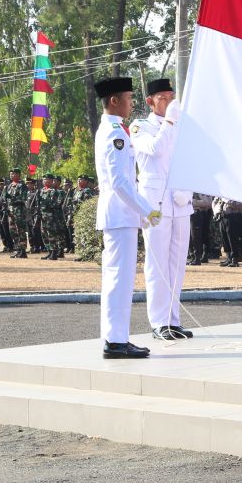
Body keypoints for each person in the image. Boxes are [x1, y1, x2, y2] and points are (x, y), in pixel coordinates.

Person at [94, 77, 161, 359]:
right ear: (114, 101)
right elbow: (121, 183)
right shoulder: (116, 134)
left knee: (118, 279)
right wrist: (146, 209)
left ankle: (117, 338)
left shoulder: (114, 130)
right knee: (119, 280)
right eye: (129, 97)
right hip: (120, 214)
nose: (132, 103)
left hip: (121, 214)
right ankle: (115, 341)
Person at [130, 78, 194, 341]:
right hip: (154, 205)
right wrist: (169, 122)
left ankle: (173, 320)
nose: (169, 102)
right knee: (157, 266)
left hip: (179, 203)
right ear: (150, 101)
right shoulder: (139, 126)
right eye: (163, 98)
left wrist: (187, 191)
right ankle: (159, 322)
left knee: (177, 265)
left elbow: (190, 158)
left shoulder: (180, 126)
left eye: (171, 97)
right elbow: (156, 149)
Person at [2, 168, 29, 258]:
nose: (11, 175)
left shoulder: (22, 186)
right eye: (11, 174)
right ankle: (17, 249)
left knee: (20, 230)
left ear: (18, 175)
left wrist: (11, 198)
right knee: (12, 230)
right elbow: (5, 199)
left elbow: (23, 198)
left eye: (13, 174)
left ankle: (23, 250)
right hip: (11, 211)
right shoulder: (9, 186)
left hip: (19, 211)